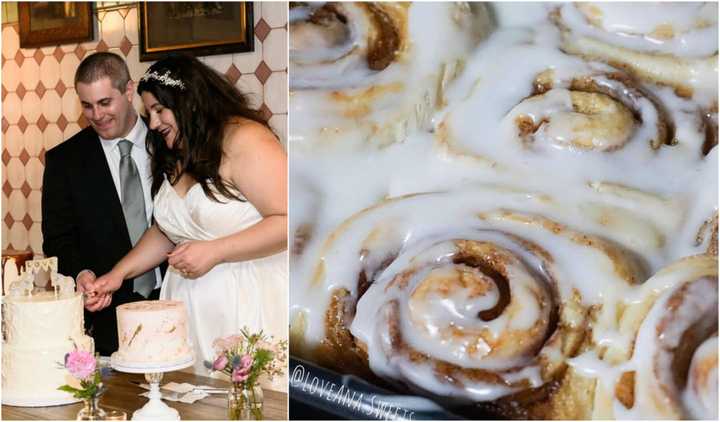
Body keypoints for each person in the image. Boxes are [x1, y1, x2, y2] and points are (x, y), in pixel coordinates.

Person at [86, 55, 288, 379]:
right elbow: (168, 230)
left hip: (249, 301)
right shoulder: (177, 148)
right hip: (190, 311)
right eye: (148, 112)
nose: (152, 124)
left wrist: (215, 251)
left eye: (158, 110)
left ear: (188, 103)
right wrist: (118, 274)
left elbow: (289, 221)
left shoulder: (246, 139)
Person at [41, 52, 164, 356]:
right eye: (87, 105)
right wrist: (82, 273)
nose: (96, 115)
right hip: (109, 317)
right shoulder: (64, 161)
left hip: (178, 296)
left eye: (105, 102)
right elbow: (58, 238)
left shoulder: (169, 141)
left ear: (128, 90)